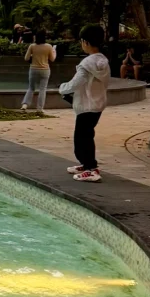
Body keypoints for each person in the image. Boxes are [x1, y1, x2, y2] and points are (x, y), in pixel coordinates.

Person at [58, 25, 111, 182]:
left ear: (86, 42)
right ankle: (86, 164)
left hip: (86, 106)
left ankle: (91, 169)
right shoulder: (103, 61)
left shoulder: (87, 64)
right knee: (87, 135)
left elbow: (76, 83)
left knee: (82, 139)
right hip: (97, 104)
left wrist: (62, 88)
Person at [21, 30, 56, 110]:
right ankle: (40, 108)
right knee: (42, 89)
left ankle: (25, 104)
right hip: (45, 69)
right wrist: (54, 52)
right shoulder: (49, 46)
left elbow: (26, 58)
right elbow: (52, 59)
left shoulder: (32, 46)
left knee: (31, 88)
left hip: (33, 69)